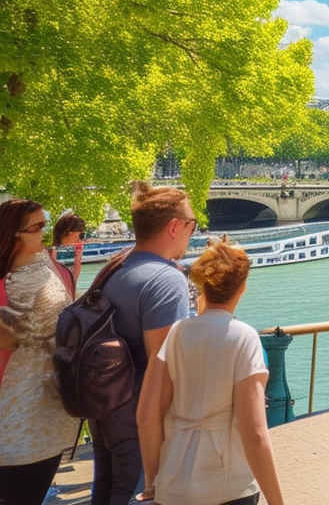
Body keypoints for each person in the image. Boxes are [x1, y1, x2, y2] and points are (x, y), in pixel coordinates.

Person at [136, 238, 284, 505]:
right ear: (242, 288)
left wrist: (152, 480)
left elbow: (147, 416)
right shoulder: (244, 337)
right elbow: (255, 433)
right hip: (228, 488)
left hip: (172, 486)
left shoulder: (177, 333)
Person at [94, 182, 193, 505]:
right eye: (192, 225)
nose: (194, 231)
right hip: (139, 410)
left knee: (107, 486)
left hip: (104, 402)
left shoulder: (117, 265)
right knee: (139, 491)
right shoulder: (166, 280)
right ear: (174, 227)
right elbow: (163, 364)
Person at [0, 200, 80, 505]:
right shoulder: (33, 277)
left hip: (37, 415)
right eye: (39, 226)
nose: (46, 231)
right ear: (15, 235)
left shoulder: (43, 269)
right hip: (21, 422)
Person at [48, 211, 85, 291]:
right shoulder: (51, 253)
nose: (81, 240)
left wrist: (77, 262)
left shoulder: (70, 250)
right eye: (80, 235)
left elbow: (72, 284)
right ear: (70, 233)